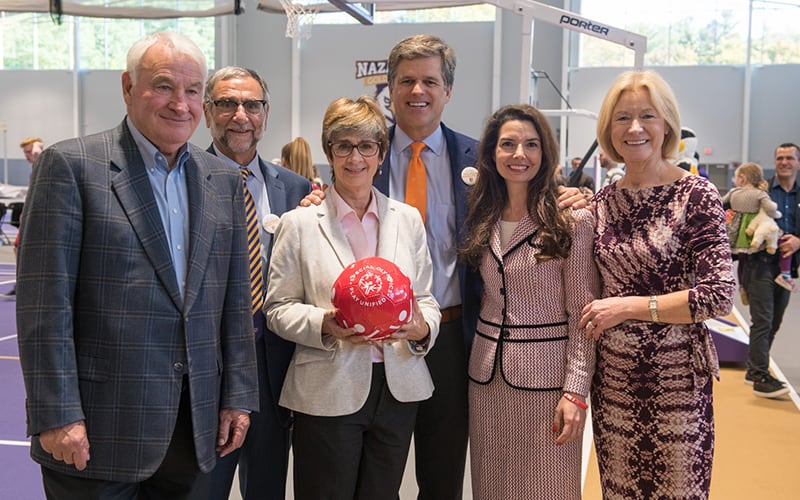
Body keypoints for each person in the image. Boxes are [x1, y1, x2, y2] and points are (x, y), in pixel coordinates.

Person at [299, 34, 587, 498]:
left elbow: (527, 196)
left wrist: (568, 195)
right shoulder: (362, 153)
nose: (418, 91)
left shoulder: (483, 160)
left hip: (454, 338)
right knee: (377, 474)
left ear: (447, 90)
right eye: (407, 81)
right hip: (374, 342)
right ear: (389, 90)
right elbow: (328, 214)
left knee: (444, 473)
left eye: (430, 81)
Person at [15, 32, 259, 499]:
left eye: (192, 91)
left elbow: (234, 302)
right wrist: (57, 413)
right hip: (95, 432)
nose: (180, 104)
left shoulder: (223, 179)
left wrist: (238, 396)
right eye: (164, 86)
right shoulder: (71, 166)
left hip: (195, 426)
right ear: (128, 87)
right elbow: (45, 307)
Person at [264, 95, 441, 499]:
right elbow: (277, 308)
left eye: (366, 146)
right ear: (329, 153)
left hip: (398, 387)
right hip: (328, 385)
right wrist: (326, 325)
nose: (355, 157)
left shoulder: (407, 219)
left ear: (380, 153)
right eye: (343, 145)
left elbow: (425, 297)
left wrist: (420, 327)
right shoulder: (300, 223)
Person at [579, 69, 735, 498]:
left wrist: (630, 306)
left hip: (677, 381)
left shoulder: (696, 195)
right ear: (608, 130)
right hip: (614, 383)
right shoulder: (601, 203)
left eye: (646, 115)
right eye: (621, 118)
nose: (634, 128)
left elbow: (718, 294)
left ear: (666, 124)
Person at [460, 104, 599, 499]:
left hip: (547, 383)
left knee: (547, 487)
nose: (519, 154)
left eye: (530, 144)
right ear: (491, 153)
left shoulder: (571, 218)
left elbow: (582, 315)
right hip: (485, 379)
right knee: (490, 486)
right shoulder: (482, 213)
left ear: (545, 152)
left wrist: (575, 391)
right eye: (508, 144)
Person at [201, 66, 312, 500]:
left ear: (266, 113)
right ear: (208, 111)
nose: (240, 115)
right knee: (204, 487)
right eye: (227, 103)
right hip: (210, 369)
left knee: (267, 487)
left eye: (252, 104)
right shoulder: (184, 177)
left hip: (274, 368)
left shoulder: (296, 188)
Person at [741, 142, 800, 398]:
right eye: (779, 158)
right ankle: (759, 375)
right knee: (762, 320)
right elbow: (743, 224)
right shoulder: (761, 192)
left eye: (789, 158)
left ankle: (754, 368)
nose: (784, 162)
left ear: (798, 162)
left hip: (786, 269)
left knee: (774, 321)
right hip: (759, 264)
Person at [722, 162, 787, 304]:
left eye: (736, 177)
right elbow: (770, 209)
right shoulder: (760, 194)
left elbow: (719, 203)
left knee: (741, 260)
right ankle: (785, 272)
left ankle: (742, 287)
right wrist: (776, 213)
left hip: (737, 230)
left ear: (742, 177)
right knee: (777, 241)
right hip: (754, 227)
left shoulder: (733, 192)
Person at [1, 136, 43, 299]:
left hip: (40, 216)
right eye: (25, 152)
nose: (27, 155)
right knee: (18, 248)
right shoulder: (33, 168)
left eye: (29, 152)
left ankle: (29, 285)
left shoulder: (42, 163)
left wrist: (38, 150)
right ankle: (22, 283)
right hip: (31, 213)